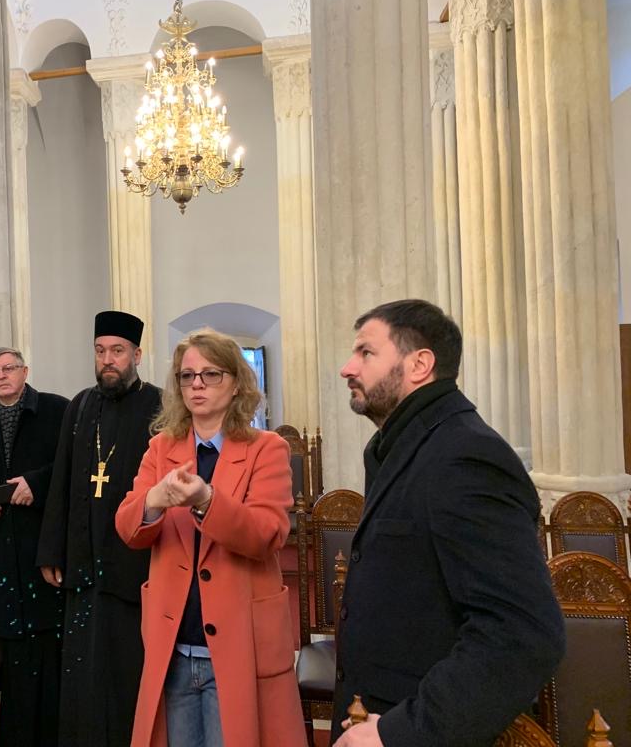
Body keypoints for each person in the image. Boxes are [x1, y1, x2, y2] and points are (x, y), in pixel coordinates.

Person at [332, 300, 565, 746]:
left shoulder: (465, 455)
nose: (348, 367)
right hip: (374, 710)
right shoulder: (402, 445)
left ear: (419, 364)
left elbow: (521, 633)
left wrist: (399, 732)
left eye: (365, 352)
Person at [116, 328, 308, 747]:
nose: (197, 384)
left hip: (240, 642)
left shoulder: (266, 448)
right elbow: (128, 527)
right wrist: (154, 500)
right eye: (187, 376)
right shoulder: (161, 448)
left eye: (211, 374)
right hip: (175, 644)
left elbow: (266, 535)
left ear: (236, 383)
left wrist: (206, 500)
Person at [36, 310, 163, 746]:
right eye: (100, 351)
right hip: (83, 558)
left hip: (134, 562)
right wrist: (51, 549)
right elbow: (62, 478)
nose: (108, 360)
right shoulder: (80, 405)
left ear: (137, 355)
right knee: (82, 669)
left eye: (118, 351)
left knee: (125, 666)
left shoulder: (160, 407)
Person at [0, 347, 69, 746]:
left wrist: (34, 484)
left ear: (25, 371)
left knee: (53, 655)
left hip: (46, 548)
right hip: (2, 555)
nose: (2, 376)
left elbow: (71, 468)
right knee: (16, 661)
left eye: (9, 368)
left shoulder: (57, 410)